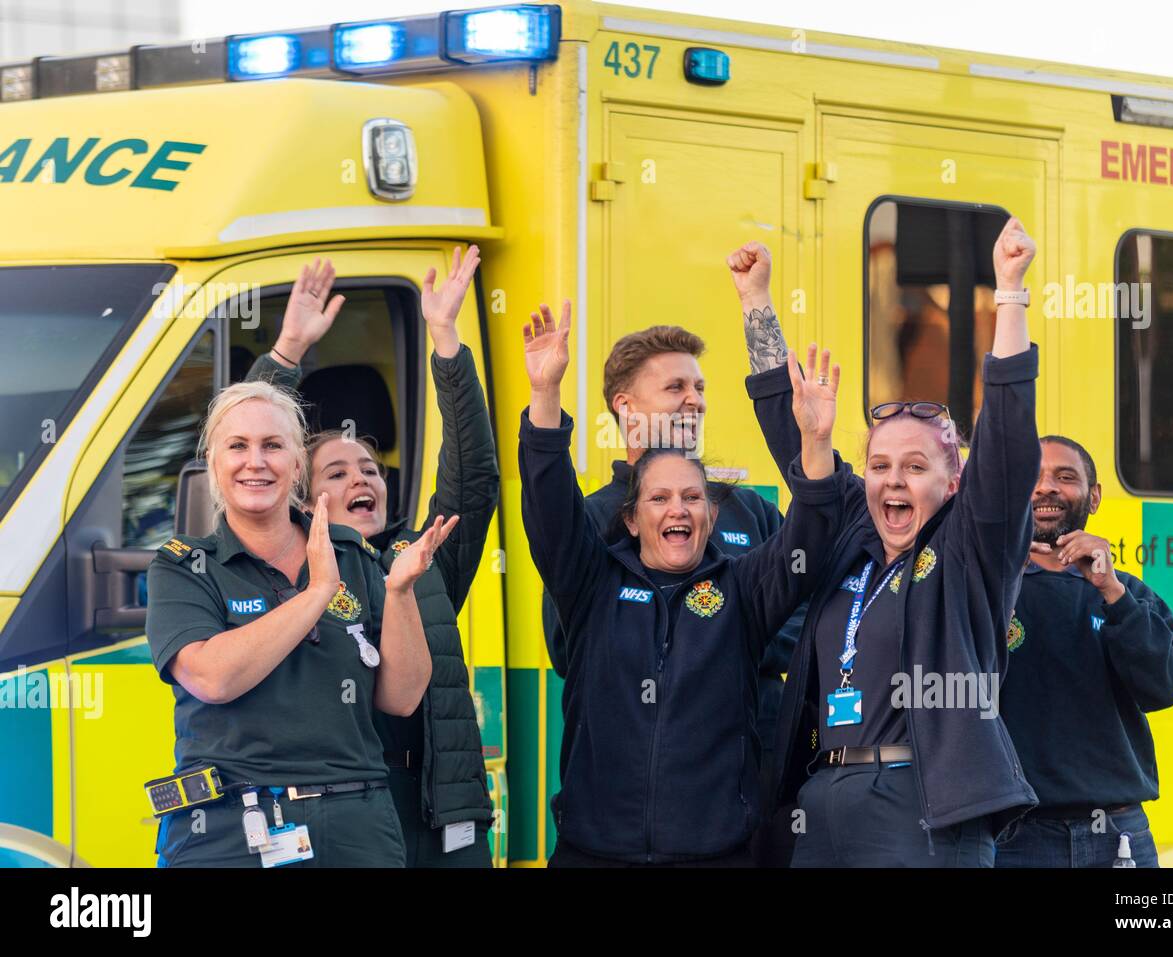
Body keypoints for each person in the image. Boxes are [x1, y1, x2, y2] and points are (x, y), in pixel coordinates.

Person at [727, 218, 1042, 867]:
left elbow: (1009, 448)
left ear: (955, 482)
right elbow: (796, 435)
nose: (892, 479)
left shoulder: (966, 552)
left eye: (915, 466)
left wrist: (1009, 294)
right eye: (879, 464)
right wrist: (755, 300)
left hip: (921, 808)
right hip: (822, 801)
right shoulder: (854, 534)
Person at [519, 299, 847, 866]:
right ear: (630, 516)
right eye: (660, 498)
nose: (679, 509)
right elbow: (548, 507)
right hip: (595, 848)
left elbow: (808, 541)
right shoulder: (593, 581)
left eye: (694, 498)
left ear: (711, 516)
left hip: (718, 848)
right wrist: (545, 397)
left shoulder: (740, 590)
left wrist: (816, 446)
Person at [246, 250, 498, 867]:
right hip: (345, 810)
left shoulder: (424, 556)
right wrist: (285, 355)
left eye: (371, 468)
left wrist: (447, 345)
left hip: (440, 813)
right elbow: (249, 445)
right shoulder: (283, 568)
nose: (365, 479)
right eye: (338, 470)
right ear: (304, 496)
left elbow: (473, 480)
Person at [146, 381, 448, 867]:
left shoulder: (351, 555)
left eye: (273, 445)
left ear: (297, 464)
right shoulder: (184, 566)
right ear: (212, 461)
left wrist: (399, 591)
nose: (256, 462)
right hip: (230, 827)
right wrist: (316, 594)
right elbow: (212, 677)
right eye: (237, 446)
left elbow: (401, 696)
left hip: (357, 823)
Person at [540, 325, 802, 771]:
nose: (695, 400)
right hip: (633, 775)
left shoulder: (750, 509)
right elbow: (566, 646)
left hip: (756, 772)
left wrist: (730, 639)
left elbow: (804, 616)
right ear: (626, 406)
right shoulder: (592, 519)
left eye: (699, 387)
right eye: (675, 387)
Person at [994, 435, 1173, 868]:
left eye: (1064, 477)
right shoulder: (984, 591)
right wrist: (1005, 582)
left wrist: (1112, 592)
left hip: (1120, 837)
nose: (1045, 487)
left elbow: (1168, 686)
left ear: (1095, 496)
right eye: (1031, 477)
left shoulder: (1128, 593)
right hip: (1015, 839)